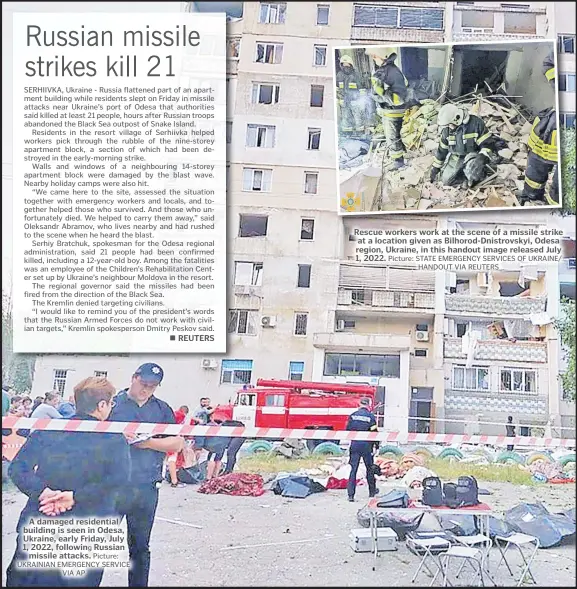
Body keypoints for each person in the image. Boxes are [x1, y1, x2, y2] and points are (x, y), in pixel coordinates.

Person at [5, 376, 130, 587]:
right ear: (101, 405)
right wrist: (75, 497)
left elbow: (18, 468)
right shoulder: (112, 437)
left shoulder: (50, 429)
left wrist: (42, 492)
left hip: (42, 517)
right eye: (110, 403)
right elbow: (118, 479)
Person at [110, 363, 183, 588]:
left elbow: (177, 442)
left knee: (140, 546)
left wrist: (148, 443)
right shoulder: (113, 404)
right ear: (134, 378)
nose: (146, 390)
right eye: (143, 384)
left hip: (146, 485)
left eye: (152, 386)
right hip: (111, 484)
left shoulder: (161, 409)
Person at [518, 52, 559, 206]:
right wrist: (560, 83)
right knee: (536, 165)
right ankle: (530, 199)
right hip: (553, 125)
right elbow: (549, 61)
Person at [430, 103, 497, 188]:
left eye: (450, 124)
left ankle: (477, 176)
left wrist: (482, 157)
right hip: (456, 156)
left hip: (473, 155)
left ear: (456, 119)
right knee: (446, 180)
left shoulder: (476, 124)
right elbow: (442, 150)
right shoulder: (446, 130)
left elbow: (488, 144)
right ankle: (463, 178)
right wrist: (435, 168)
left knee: (472, 170)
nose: (449, 127)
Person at [365, 46, 410, 169]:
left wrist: (377, 96)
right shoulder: (395, 69)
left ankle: (398, 162)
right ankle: (402, 152)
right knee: (396, 133)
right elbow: (406, 84)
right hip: (399, 108)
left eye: (375, 56)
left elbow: (378, 92)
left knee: (391, 135)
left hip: (392, 110)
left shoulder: (383, 72)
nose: (374, 58)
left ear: (383, 57)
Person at [346, 397, 379, 502]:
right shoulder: (371, 417)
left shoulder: (353, 415)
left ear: (359, 404)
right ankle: (372, 492)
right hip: (366, 445)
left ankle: (351, 495)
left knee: (353, 469)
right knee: (369, 468)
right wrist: (376, 445)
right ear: (368, 405)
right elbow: (374, 432)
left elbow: (348, 429)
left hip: (355, 445)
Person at [336, 54, 367, 137]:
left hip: (355, 101)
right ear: (341, 65)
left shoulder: (356, 75)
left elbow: (362, 89)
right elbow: (337, 88)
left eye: (347, 65)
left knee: (358, 117)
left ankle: (360, 133)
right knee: (346, 117)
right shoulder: (339, 75)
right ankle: (347, 133)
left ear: (351, 65)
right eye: (344, 65)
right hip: (344, 101)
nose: (346, 66)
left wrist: (360, 101)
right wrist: (340, 99)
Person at [166, 405, 189, 488]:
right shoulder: (181, 416)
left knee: (170, 459)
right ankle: (174, 481)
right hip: (173, 438)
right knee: (172, 459)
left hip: (167, 438)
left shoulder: (173, 414)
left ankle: (172, 478)